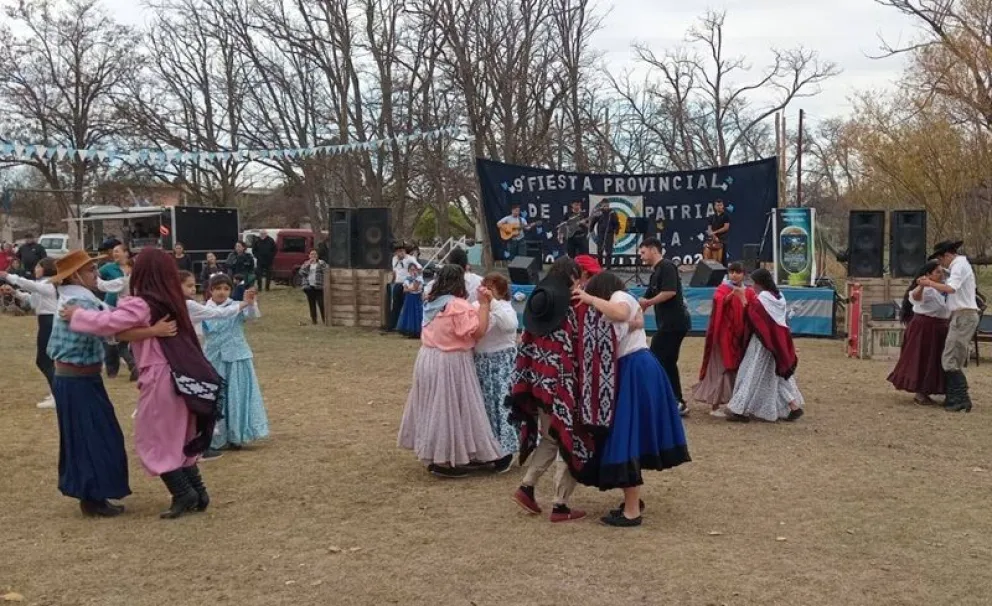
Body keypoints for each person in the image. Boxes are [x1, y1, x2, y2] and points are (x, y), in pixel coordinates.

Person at [62, 249, 225, 519]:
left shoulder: (143, 303)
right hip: (181, 377)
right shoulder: (173, 301)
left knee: (155, 437)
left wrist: (78, 315)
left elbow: (110, 322)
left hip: (161, 376)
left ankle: (184, 493)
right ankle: (197, 491)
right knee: (178, 435)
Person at [573, 272, 691, 527]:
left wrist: (590, 298)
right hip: (635, 368)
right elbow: (627, 320)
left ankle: (632, 510)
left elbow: (620, 313)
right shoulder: (622, 300)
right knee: (630, 436)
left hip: (634, 368)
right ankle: (631, 503)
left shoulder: (618, 297)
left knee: (625, 437)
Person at [509, 256, 617, 523]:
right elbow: (586, 348)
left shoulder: (538, 302)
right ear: (571, 276)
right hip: (564, 386)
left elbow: (526, 346)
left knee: (550, 436)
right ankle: (560, 505)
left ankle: (527, 487)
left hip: (538, 383)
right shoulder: (573, 307)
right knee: (571, 436)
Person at [397, 264, 508, 478]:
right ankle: (446, 460)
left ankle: (437, 454)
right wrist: (484, 305)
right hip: (451, 360)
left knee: (435, 406)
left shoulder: (431, 301)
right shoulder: (457, 305)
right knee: (450, 409)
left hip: (428, 357)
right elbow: (478, 332)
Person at [45, 250, 131, 517]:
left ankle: (92, 494)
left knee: (88, 436)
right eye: (91, 271)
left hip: (77, 378)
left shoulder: (76, 297)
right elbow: (112, 327)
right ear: (75, 276)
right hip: (77, 379)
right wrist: (152, 330)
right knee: (94, 436)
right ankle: (92, 496)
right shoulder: (80, 301)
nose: (96, 275)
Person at [725, 268, 805, 423]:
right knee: (777, 375)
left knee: (751, 373)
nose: (753, 286)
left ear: (761, 283)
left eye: (755, 283)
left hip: (763, 344)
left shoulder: (763, 298)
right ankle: (793, 406)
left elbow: (752, 315)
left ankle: (739, 409)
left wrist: (742, 298)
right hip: (777, 343)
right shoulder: (779, 296)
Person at [202, 273, 269, 451]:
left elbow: (252, 317)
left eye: (226, 288)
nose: (222, 292)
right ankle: (216, 436)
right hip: (213, 358)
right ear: (210, 290)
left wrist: (251, 301)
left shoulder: (236, 305)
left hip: (237, 356)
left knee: (237, 394)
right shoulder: (203, 309)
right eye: (217, 288)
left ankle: (237, 435)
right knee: (217, 398)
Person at [919, 240, 981, 412]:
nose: (941, 264)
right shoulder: (959, 266)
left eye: (941, 260)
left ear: (946, 255)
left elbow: (951, 288)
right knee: (952, 358)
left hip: (964, 315)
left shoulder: (959, 265)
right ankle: (955, 397)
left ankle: (961, 399)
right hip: (961, 316)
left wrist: (930, 283)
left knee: (950, 359)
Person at [638, 237, 690, 415]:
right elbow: (644, 300)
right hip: (668, 324)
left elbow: (670, 292)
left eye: (643, 252)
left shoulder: (667, 266)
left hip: (674, 323)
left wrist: (649, 301)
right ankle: (677, 400)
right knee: (667, 362)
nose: (641, 256)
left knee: (656, 358)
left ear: (653, 250)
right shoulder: (655, 272)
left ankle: (664, 399)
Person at [887, 261, 950, 404]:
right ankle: (920, 392)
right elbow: (915, 296)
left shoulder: (942, 287)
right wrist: (922, 285)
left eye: (941, 272)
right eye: (937, 272)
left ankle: (932, 389)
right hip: (924, 327)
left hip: (940, 327)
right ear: (928, 275)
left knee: (935, 359)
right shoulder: (926, 289)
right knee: (922, 357)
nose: (941, 275)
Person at [473, 273, 520, 461]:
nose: (487, 291)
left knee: (502, 405)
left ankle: (505, 450)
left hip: (502, 362)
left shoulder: (505, 307)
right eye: (485, 286)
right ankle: (485, 449)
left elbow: (510, 326)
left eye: (491, 288)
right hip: (481, 361)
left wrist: (492, 302)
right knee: (484, 407)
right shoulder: (476, 306)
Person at [691, 261, 749, 417]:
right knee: (720, 369)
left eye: (738, 272)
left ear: (744, 274)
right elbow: (719, 302)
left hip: (737, 337)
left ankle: (732, 403)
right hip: (722, 336)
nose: (734, 275)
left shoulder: (747, 291)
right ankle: (715, 406)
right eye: (732, 272)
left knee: (734, 371)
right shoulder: (722, 289)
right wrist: (732, 295)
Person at [2, 258, 60, 408]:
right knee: (48, 361)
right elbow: (32, 301)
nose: (35, 269)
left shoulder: (47, 283)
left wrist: (8, 276)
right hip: (45, 321)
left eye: (37, 266)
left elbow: (29, 285)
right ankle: (56, 393)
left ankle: (58, 395)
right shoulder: (44, 286)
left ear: (45, 268)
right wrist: (14, 292)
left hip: (50, 322)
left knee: (44, 361)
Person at [100, 243, 138, 381]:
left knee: (118, 340)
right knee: (115, 341)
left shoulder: (129, 274)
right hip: (111, 307)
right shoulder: (108, 268)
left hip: (125, 310)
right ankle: (113, 369)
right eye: (113, 252)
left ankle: (134, 366)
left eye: (117, 251)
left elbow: (102, 285)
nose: (114, 254)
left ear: (126, 253)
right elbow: (98, 279)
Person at [387, 243, 415, 331]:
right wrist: (392, 281)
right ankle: (391, 326)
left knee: (407, 306)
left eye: (402, 251)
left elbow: (417, 270)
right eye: (398, 251)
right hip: (397, 284)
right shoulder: (394, 259)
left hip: (407, 284)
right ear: (395, 252)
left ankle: (407, 327)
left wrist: (412, 283)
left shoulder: (410, 259)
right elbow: (395, 272)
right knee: (395, 306)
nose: (400, 253)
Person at [298, 249, 328, 325]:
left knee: (321, 303)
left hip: (319, 286)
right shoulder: (306, 263)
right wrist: (307, 265)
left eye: (315, 254)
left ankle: (324, 320)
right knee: (312, 304)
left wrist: (322, 265)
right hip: (309, 287)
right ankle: (314, 320)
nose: (313, 256)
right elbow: (301, 273)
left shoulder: (321, 263)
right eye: (311, 254)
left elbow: (327, 271)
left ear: (317, 255)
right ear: (309, 256)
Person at [590, 199, 620, 269]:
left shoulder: (612, 213)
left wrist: (616, 234)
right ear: (601, 205)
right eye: (604, 205)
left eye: (607, 205)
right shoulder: (599, 213)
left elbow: (616, 224)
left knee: (609, 252)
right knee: (600, 251)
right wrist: (590, 231)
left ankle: (608, 267)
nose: (606, 207)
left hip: (610, 234)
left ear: (609, 205)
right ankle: (600, 266)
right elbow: (593, 222)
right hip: (601, 234)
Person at [397, 263, 425, 338]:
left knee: (417, 313)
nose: (413, 271)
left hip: (416, 298)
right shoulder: (407, 278)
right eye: (411, 270)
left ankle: (417, 332)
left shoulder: (419, 278)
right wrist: (410, 289)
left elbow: (415, 288)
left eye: (414, 269)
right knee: (409, 313)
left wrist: (409, 288)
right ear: (408, 271)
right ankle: (409, 331)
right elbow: (404, 290)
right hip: (409, 298)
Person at [703, 199, 731, 263]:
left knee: (723, 259)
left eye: (720, 205)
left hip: (723, 239)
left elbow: (726, 227)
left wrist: (715, 232)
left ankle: (723, 270)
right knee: (706, 248)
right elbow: (709, 228)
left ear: (723, 206)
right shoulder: (712, 217)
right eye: (717, 205)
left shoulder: (726, 216)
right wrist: (714, 236)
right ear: (715, 207)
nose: (719, 207)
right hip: (713, 239)